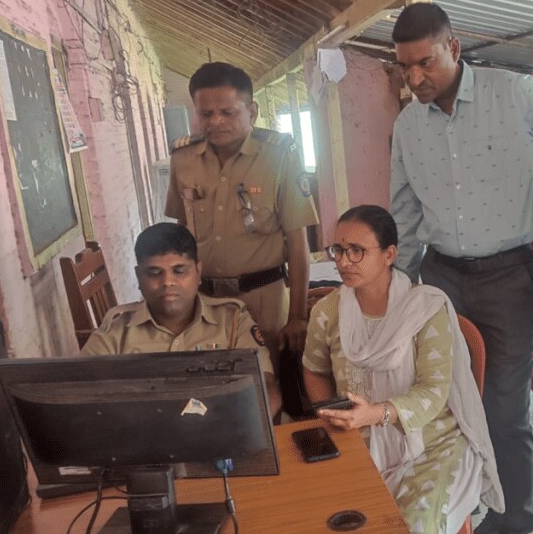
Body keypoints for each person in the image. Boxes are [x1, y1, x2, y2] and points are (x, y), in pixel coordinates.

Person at [388, 2, 533, 534]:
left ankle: (513, 522)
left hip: (508, 278)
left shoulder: (514, 93)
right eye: (405, 67)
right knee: (448, 403)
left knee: (505, 413)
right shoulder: (408, 126)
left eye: (426, 63)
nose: (416, 77)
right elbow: (404, 210)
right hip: (440, 279)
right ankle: (458, 510)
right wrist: (398, 288)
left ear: (453, 48)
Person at [303, 205, 504, 534]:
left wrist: (376, 414)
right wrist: (331, 417)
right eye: (337, 250)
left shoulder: (424, 309)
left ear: (389, 254)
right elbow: (314, 369)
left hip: (432, 443)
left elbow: (434, 392)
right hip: (356, 441)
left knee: (413, 527)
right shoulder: (327, 312)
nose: (342, 261)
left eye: (357, 251)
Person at [165, 62, 319, 414]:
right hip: (204, 302)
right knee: (210, 393)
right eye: (206, 113)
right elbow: (178, 234)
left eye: (227, 112)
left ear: (252, 111)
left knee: (271, 394)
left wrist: (297, 316)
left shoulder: (280, 155)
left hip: (263, 298)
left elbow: (298, 243)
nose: (215, 121)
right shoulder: (184, 158)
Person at [84, 222, 282, 419]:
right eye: (154, 273)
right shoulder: (115, 334)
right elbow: (79, 394)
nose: (167, 282)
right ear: (138, 276)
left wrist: (238, 434)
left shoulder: (232, 321)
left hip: (224, 438)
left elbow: (266, 387)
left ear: (198, 272)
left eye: (179, 271)